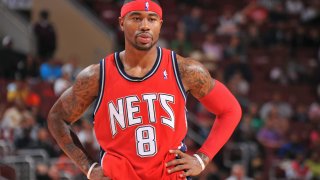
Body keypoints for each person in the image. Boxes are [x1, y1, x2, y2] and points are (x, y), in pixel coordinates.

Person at [47, 0, 242, 179]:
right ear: (122, 22)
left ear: (161, 24)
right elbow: (57, 118)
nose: (145, 26)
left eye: (152, 19)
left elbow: (230, 110)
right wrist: (88, 168)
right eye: (136, 18)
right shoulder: (96, 76)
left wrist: (202, 158)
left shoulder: (185, 70)